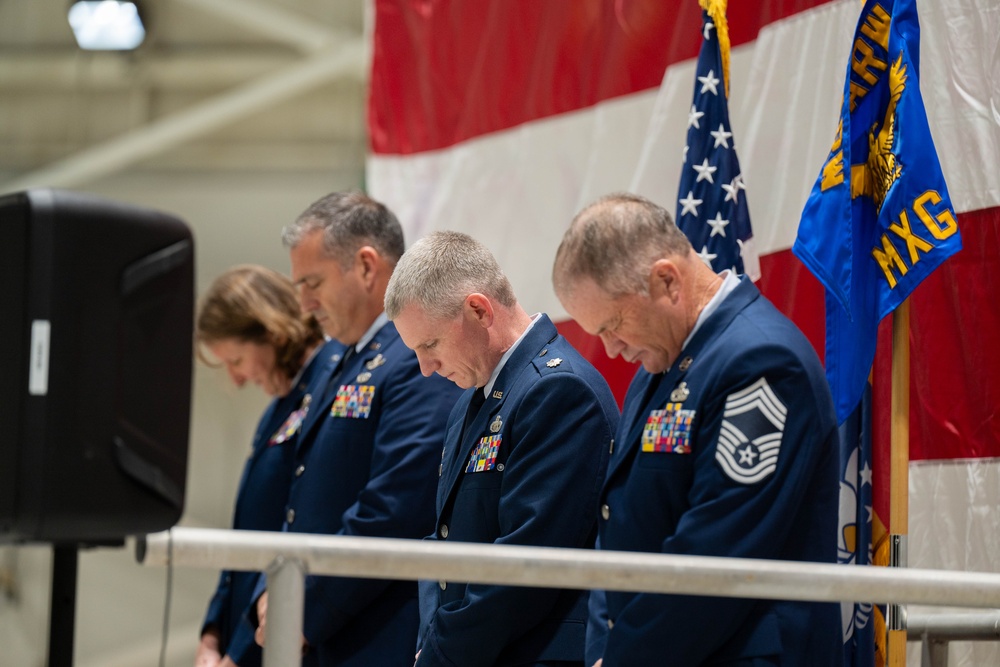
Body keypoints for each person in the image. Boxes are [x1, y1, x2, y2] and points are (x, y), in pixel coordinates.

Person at [552, 193, 842, 667]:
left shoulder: (762, 362)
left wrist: (625, 657)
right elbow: (620, 522)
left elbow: (721, 550)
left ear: (667, 280)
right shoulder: (660, 366)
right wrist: (606, 647)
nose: (610, 350)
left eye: (615, 325)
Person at [385, 230, 620, 667]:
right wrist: (430, 644)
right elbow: (444, 542)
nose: (425, 368)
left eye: (430, 344)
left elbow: (526, 565)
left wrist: (441, 655)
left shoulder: (559, 390)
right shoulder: (471, 401)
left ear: (478, 309)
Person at [251, 192, 462, 666]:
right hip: (322, 634)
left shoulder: (416, 358)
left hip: (375, 634)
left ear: (367, 267)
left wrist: (304, 608)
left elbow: (396, 506)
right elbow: (299, 499)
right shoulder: (334, 360)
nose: (303, 305)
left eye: (312, 283)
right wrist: (277, 594)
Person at [194, 265, 343, 667]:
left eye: (237, 360)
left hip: (279, 637)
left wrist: (241, 649)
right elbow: (247, 530)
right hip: (248, 638)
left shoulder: (334, 385)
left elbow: (300, 524)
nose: (237, 379)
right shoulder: (280, 405)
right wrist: (212, 634)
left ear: (271, 329)